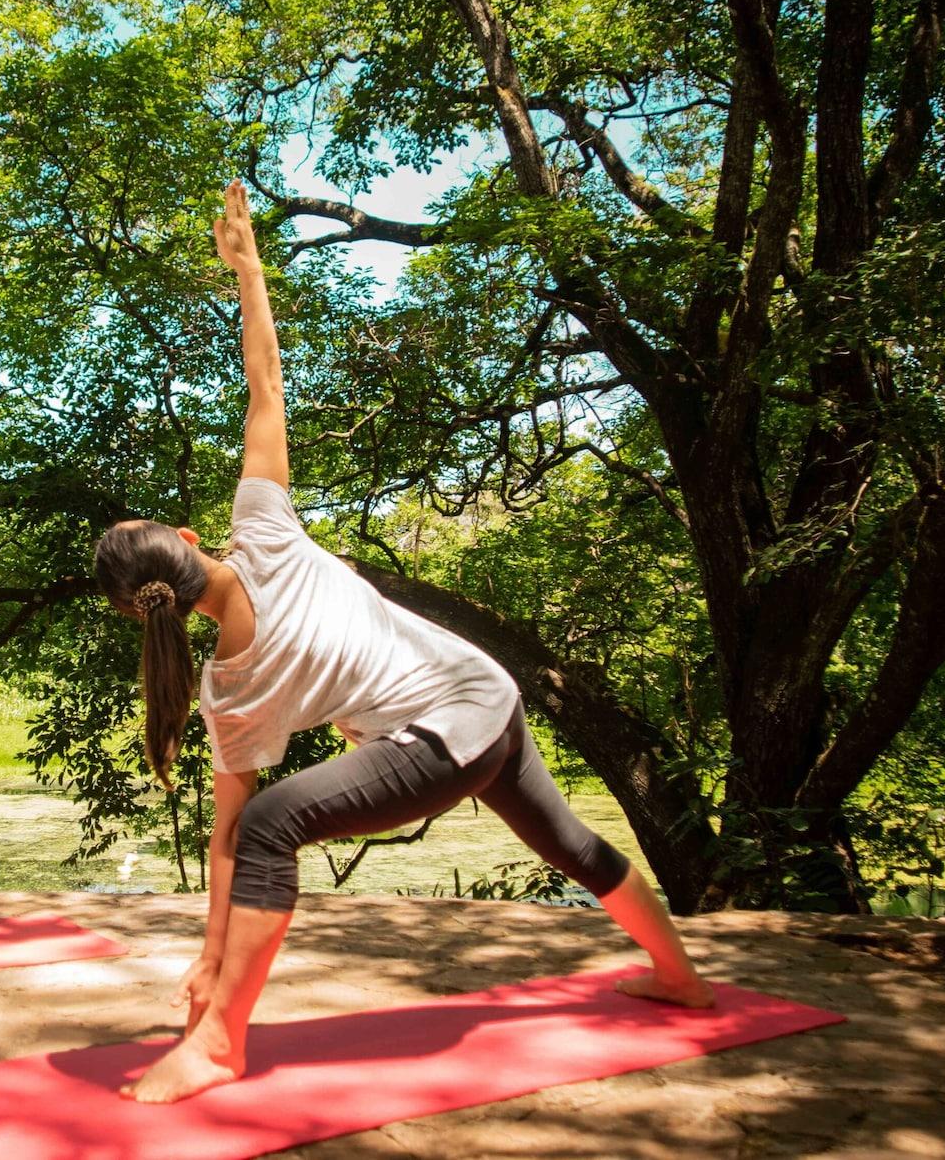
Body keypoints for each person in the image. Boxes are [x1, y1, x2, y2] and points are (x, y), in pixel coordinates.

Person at [94, 183, 716, 1104]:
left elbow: (231, 837)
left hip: (449, 726)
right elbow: (265, 380)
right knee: (573, 845)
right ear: (188, 544)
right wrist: (248, 270)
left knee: (271, 822)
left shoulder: (227, 690)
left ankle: (222, 1043)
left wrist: (209, 957)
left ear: (152, 613)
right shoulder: (261, 528)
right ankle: (680, 975)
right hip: (485, 694)